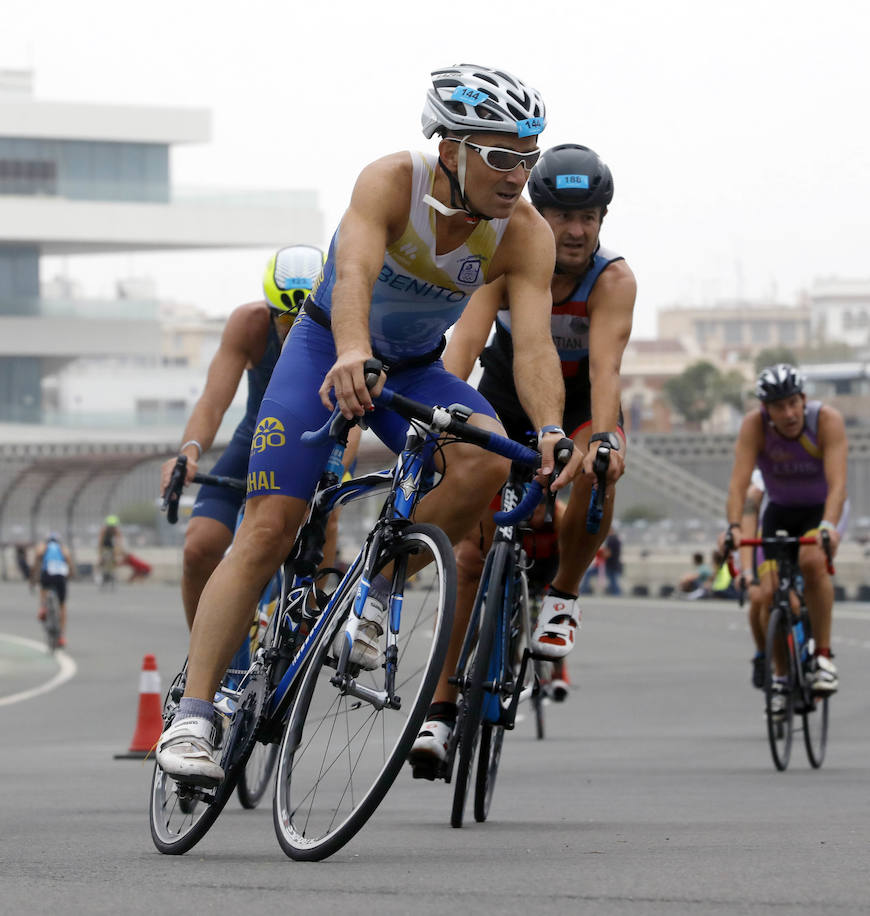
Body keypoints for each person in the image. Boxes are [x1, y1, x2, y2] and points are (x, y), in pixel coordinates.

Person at [156, 63, 579, 786]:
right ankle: (196, 714)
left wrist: (547, 427)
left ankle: (376, 589)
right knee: (267, 527)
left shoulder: (524, 232)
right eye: (502, 156)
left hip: (414, 366)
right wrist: (351, 350)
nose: (518, 175)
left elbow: (535, 343)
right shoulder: (391, 182)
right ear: (452, 150)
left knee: (485, 458)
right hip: (325, 345)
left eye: (528, 157)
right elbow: (351, 273)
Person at [424, 142, 634, 764]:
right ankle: (437, 711)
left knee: (602, 466)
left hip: (578, 402)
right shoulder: (507, 251)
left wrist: (602, 439)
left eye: (588, 217)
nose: (574, 231)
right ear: (538, 214)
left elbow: (606, 369)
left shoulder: (613, 278)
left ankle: (563, 598)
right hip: (505, 397)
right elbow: (465, 342)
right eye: (562, 216)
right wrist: (441, 420)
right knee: (467, 556)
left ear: (602, 219)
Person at [157, 244, 326, 628]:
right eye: (282, 319)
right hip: (256, 440)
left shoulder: (341, 325)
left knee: (324, 523)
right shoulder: (249, 324)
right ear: (268, 308)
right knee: (199, 548)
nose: (291, 328)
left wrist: (336, 469)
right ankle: (203, 661)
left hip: (313, 444)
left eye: (303, 318)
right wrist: (190, 453)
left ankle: (304, 632)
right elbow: (213, 401)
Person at [721, 364, 847, 695]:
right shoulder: (755, 427)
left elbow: (838, 486)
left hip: (820, 511)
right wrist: (733, 527)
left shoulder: (826, 421)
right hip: (780, 512)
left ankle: (822, 657)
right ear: (766, 409)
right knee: (769, 594)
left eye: (793, 403)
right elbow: (739, 489)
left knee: (811, 560)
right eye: (778, 406)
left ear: (804, 399)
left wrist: (829, 526)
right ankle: (779, 676)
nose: (788, 413)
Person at [35, 532, 72, 646]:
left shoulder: (44, 546)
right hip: (61, 576)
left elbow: (38, 556)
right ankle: (61, 636)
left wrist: (34, 577)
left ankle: (43, 608)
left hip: (47, 574)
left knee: (43, 589)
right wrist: (70, 575)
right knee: (62, 605)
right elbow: (68, 559)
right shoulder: (62, 547)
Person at [581, 525, 623, 596]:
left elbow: (608, 554)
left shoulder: (612, 539)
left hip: (610, 565)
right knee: (613, 580)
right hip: (613, 564)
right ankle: (616, 593)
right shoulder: (616, 539)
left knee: (613, 581)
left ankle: (584, 590)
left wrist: (598, 553)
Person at [98, 516, 122, 588]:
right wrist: (100, 553)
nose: (112, 528)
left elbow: (118, 541)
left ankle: (112, 574)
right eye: (110, 526)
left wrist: (117, 551)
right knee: (103, 560)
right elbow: (100, 542)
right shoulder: (104, 530)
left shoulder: (116, 531)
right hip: (105, 547)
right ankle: (103, 574)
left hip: (112, 547)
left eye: (113, 526)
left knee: (114, 560)